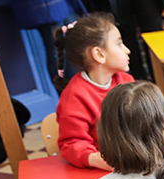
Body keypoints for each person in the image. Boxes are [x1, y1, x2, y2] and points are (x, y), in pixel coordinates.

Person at [54, 12, 134, 169]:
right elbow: (72, 143)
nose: (127, 50)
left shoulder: (127, 81)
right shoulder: (74, 96)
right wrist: (98, 160)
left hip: (135, 163)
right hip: (104, 172)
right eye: (119, 44)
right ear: (99, 54)